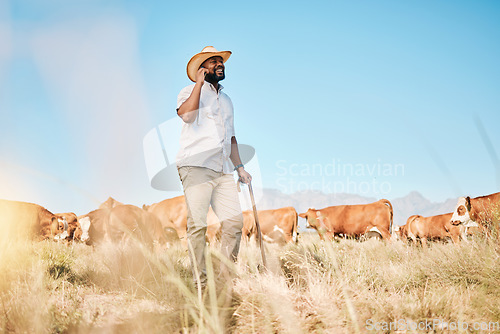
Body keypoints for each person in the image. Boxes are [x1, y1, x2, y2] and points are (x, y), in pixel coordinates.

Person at [176, 46, 251, 290]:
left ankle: (224, 280)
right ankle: (201, 282)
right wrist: (198, 83)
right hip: (195, 166)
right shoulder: (189, 91)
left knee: (234, 224)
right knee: (198, 225)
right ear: (202, 68)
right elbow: (187, 116)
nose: (220, 64)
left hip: (222, 170)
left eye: (221, 61)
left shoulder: (227, 101)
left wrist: (239, 167)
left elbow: (231, 139)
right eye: (214, 61)